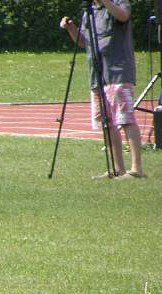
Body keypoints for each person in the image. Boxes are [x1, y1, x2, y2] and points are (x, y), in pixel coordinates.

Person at [60, 0, 145, 179]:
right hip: (97, 73)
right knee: (106, 122)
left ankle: (136, 169)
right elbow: (83, 42)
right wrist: (71, 28)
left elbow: (123, 16)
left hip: (118, 71)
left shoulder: (119, 3)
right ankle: (117, 168)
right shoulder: (89, 10)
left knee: (125, 118)